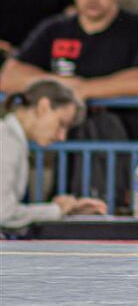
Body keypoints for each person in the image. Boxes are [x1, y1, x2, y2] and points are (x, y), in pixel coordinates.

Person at [0, 0, 138, 141]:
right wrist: (63, 85)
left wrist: (85, 89)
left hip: (127, 144)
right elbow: (9, 77)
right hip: (66, 147)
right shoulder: (54, 29)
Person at [1, 80, 106, 231]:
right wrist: (55, 210)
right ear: (44, 107)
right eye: (61, 124)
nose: (62, 136)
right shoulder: (6, 141)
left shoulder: (11, 139)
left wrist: (61, 209)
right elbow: (4, 213)